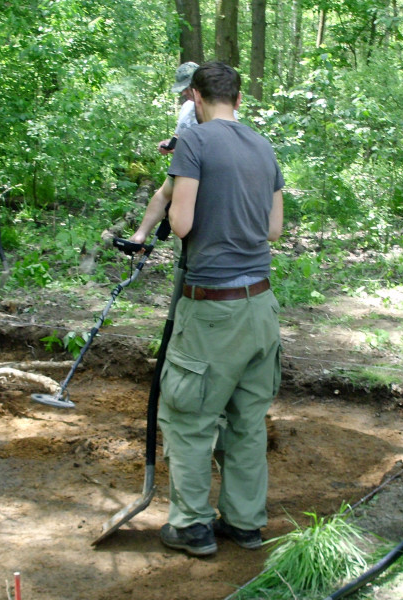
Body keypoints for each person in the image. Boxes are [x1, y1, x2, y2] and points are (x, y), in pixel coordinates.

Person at [140, 61, 284, 557]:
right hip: (261, 307)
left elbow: (180, 223)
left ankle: (192, 526)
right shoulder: (264, 146)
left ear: (196, 100)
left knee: (190, 418)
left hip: (212, 309)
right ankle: (245, 524)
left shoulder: (195, 142)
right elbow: (273, 230)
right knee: (246, 420)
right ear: (238, 100)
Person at [131, 61, 199, 246]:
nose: (184, 93)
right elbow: (179, 135)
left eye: (187, 88)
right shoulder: (187, 108)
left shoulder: (216, 112)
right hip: (181, 174)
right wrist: (169, 144)